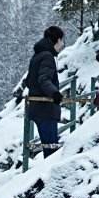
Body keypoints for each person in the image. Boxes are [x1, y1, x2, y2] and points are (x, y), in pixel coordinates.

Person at [24, 26, 66, 159]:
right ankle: (49, 177)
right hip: (46, 109)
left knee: (48, 147)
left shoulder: (37, 56)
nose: (63, 44)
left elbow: (29, 81)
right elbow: (44, 79)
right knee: (51, 149)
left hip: (37, 108)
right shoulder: (47, 57)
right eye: (62, 41)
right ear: (57, 40)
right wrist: (54, 93)